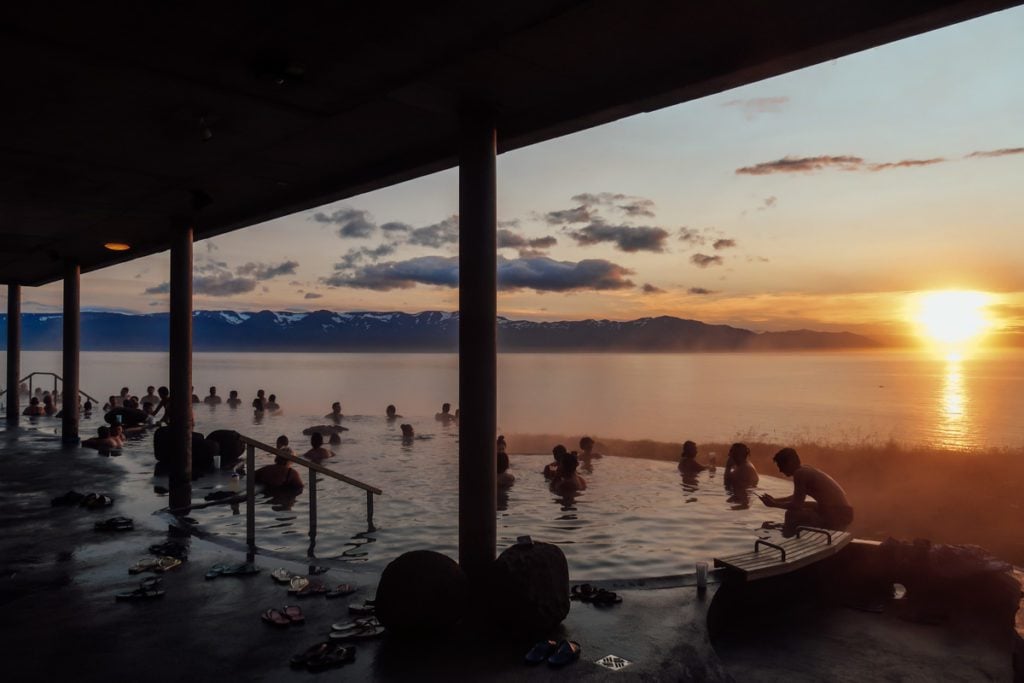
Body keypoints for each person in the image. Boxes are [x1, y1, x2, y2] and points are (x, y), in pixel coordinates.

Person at [758, 448, 853, 536]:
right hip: (844, 511)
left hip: (839, 515)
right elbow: (796, 497)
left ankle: (787, 538)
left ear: (790, 463)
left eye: (781, 466)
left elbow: (796, 505)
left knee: (791, 513)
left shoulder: (800, 474)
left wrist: (774, 504)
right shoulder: (804, 469)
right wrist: (775, 500)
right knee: (806, 505)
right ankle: (790, 530)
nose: (780, 470)